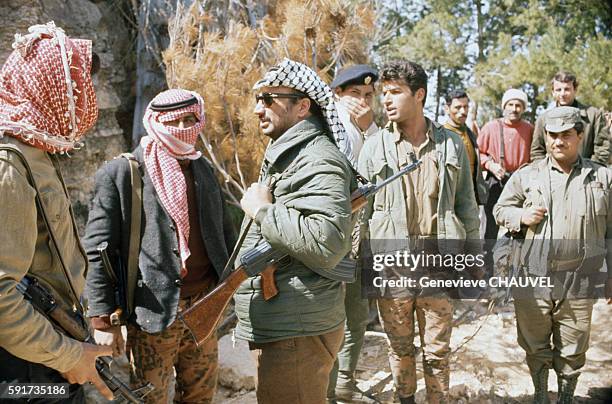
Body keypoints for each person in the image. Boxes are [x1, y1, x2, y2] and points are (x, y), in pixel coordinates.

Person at [84, 89, 236, 403]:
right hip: (152, 313)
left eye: (190, 119)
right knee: (147, 397)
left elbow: (224, 234)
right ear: (155, 122)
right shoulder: (124, 174)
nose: (182, 126)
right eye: (174, 120)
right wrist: (101, 320)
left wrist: (230, 290)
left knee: (201, 395)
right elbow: (99, 250)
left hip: (204, 308)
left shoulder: (202, 169)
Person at [0, 22, 113, 401]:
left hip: (46, 348)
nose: (87, 101)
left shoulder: (35, 150)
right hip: (24, 367)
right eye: (79, 90)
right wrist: (66, 355)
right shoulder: (10, 162)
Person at [234, 58, 356, 404]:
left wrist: (261, 210)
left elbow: (326, 240)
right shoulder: (292, 153)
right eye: (258, 98)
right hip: (288, 323)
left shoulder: (317, 158)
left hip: (298, 328)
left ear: (303, 107)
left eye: (270, 98)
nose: (259, 108)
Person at [358, 60, 480, 404]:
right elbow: (361, 216)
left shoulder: (450, 145)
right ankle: (405, 399)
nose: (386, 100)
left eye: (395, 92)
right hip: (392, 268)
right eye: (385, 93)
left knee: (438, 352)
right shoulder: (375, 147)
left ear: (420, 95)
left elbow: (466, 206)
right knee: (399, 348)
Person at [494, 106, 612, 403]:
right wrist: (522, 216)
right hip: (533, 276)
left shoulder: (603, 179)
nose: (558, 142)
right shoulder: (527, 175)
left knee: (573, 347)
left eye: (566, 135)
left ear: (580, 136)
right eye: (552, 135)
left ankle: (566, 397)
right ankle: (540, 395)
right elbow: (500, 209)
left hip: (581, 278)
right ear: (545, 136)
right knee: (535, 344)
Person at [326, 64, 379, 404]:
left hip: (362, 238)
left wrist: (369, 128)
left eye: (368, 95)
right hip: (334, 238)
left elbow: (381, 165)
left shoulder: (371, 131)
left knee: (357, 314)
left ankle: (346, 381)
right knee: (332, 317)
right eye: (355, 94)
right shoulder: (328, 129)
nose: (362, 101)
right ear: (338, 96)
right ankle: (326, 389)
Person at [478, 88, 533, 240]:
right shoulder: (490, 127)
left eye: (518, 105)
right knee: (489, 224)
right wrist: (490, 165)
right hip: (496, 180)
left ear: (523, 108)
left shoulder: (529, 129)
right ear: (504, 106)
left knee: (520, 223)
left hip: (521, 182)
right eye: (510, 104)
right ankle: (486, 260)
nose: (514, 109)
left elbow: (535, 156)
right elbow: (478, 154)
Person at [530, 71, 609, 165]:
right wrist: (544, 172)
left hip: (587, 174)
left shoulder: (594, 115)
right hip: (552, 176)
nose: (562, 94)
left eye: (567, 89)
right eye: (558, 90)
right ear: (553, 92)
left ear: (575, 90)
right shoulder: (543, 119)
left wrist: (590, 171)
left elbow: (603, 148)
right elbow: (537, 152)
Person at [443, 89, 488, 206]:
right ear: (447, 109)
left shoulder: (470, 134)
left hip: (470, 197)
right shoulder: (441, 135)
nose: (463, 111)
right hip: (449, 197)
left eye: (466, 107)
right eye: (457, 107)